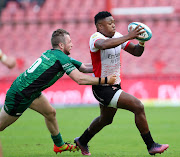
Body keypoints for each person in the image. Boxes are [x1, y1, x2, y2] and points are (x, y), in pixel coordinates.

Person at [0, 28, 116, 154]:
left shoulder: (54, 54)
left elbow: (83, 67)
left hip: (30, 91)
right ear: (61, 45)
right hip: (20, 95)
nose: (72, 44)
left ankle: (59, 145)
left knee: (50, 113)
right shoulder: (61, 58)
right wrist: (105, 80)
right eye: (69, 42)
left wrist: (106, 65)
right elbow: (80, 79)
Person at [74, 11, 169, 156]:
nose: (113, 25)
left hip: (114, 85)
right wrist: (129, 36)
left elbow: (136, 52)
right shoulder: (95, 38)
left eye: (114, 22)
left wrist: (141, 41)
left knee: (105, 120)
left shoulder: (118, 37)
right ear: (100, 26)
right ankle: (151, 145)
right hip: (102, 87)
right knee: (138, 106)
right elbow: (104, 45)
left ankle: (82, 140)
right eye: (109, 23)